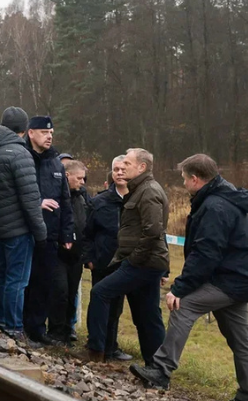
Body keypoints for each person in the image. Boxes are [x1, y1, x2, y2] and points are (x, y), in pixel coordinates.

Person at [130, 154, 248, 401]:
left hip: (228, 280)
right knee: (241, 342)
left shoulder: (215, 206)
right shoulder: (221, 197)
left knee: (183, 305)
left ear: (195, 179)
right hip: (240, 278)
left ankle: (161, 370)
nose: (183, 184)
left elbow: (206, 253)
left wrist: (180, 288)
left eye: (183, 179)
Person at [83, 148, 169, 363]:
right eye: (118, 167)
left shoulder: (148, 191)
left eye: (128, 164)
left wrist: (132, 259)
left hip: (142, 263)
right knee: (146, 315)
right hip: (143, 261)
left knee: (101, 292)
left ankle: (96, 352)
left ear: (141, 167)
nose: (122, 169)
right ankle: (156, 365)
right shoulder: (138, 189)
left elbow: (153, 231)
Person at [0, 107, 47, 344]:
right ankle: (14, 328)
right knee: (17, 280)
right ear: (24, 130)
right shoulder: (20, 154)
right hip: (17, 228)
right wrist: (40, 232)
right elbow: (30, 198)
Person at [22, 116, 74, 345]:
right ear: (30, 133)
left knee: (44, 284)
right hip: (25, 231)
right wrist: (37, 204)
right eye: (44, 132)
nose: (49, 136)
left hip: (50, 235)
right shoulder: (22, 157)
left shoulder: (55, 162)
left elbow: (65, 199)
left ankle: (37, 329)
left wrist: (67, 233)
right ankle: (17, 325)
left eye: (51, 132)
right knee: (24, 282)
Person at [81, 156, 133, 361]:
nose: (119, 173)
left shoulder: (139, 200)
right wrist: (89, 258)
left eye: (123, 169)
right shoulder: (99, 201)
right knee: (100, 305)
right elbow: (87, 233)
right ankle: (96, 347)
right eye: (116, 169)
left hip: (128, 263)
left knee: (117, 309)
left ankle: (111, 347)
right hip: (103, 261)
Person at [48, 160, 90, 344]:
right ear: (67, 176)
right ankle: (55, 331)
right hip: (58, 254)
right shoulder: (56, 196)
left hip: (77, 255)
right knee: (60, 292)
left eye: (84, 178)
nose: (82, 182)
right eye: (79, 178)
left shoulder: (82, 197)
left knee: (72, 293)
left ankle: (67, 330)